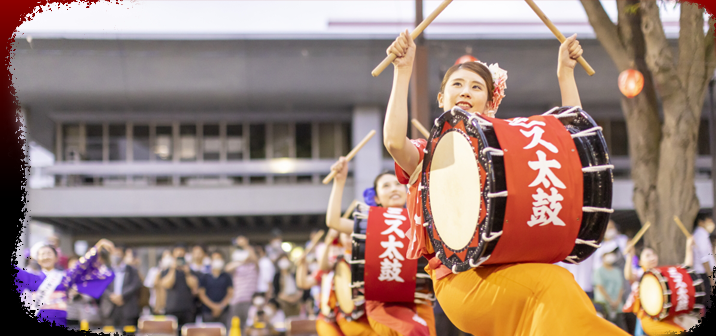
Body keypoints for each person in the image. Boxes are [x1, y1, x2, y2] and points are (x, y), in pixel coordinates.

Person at [381, 29, 629, 336]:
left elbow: (566, 147)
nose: (466, 91)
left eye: (476, 87)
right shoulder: (428, 153)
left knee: (560, 287)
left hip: (510, 266)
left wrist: (565, 75)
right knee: (552, 286)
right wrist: (402, 71)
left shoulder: (502, 149)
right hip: (461, 280)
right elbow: (393, 142)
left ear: (489, 102)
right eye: (457, 84)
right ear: (442, 97)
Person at [326, 159, 436, 336]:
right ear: (376, 197)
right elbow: (334, 222)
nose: (393, 188)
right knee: (415, 330)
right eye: (386, 186)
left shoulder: (419, 220)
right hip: (383, 304)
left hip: (419, 298)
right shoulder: (369, 224)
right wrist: (339, 182)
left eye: (398, 184)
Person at [13, 239, 116, 327]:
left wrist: (98, 247)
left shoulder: (65, 276)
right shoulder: (31, 277)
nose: (45, 257)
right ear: (37, 259)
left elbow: (82, 265)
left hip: (59, 320)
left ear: (57, 258)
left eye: (49, 253)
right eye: (42, 254)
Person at [623, 237, 698, 335]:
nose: (652, 257)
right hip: (649, 319)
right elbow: (628, 275)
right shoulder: (641, 274)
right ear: (640, 262)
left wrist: (689, 246)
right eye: (647, 256)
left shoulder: (663, 273)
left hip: (667, 316)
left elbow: (685, 269)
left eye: (653, 254)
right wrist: (630, 256)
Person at [160, 243, 200, 333]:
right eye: (177, 255)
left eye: (182, 255)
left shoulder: (191, 271)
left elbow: (194, 287)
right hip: (171, 309)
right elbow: (167, 285)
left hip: (188, 310)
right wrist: (173, 269)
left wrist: (187, 273)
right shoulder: (167, 271)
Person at [101, 245, 142, 330]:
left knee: (128, 332)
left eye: (118, 254)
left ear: (123, 255)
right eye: (113, 254)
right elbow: (102, 286)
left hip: (127, 307)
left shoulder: (132, 270)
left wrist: (122, 296)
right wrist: (111, 296)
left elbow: (135, 285)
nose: (115, 256)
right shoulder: (105, 270)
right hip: (110, 309)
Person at [226, 235, 259, 334]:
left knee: (250, 328)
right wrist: (241, 261)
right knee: (234, 329)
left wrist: (246, 245)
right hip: (236, 301)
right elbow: (227, 268)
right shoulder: (236, 267)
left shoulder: (254, 267)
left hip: (250, 301)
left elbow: (255, 260)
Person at [65, 256, 103, 330]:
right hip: (69, 314)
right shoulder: (64, 278)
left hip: (84, 315)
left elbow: (92, 295)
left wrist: (79, 294)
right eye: (72, 264)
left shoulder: (88, 278)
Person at [198, 250, 234, 327]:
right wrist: (214, 307)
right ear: (211, 260)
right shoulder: (205, 276)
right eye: (215, 259)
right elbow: (201, 294)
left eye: (219, 259)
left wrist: (221, 306)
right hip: (208, 312)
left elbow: (230, 293)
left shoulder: (226, 276)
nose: (217, 261)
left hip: (224, 312)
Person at [593, 249, 626, 329]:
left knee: (622, 330)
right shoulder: (598, 271)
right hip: (604, 308)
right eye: (608, 253)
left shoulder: (617, 271)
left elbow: (621, 287)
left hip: (617, 307)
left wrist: (617, 301)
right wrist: (610, 301)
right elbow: (600, 287)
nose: (611, 256)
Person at [692, 211, 715, 310]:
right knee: (708, 302)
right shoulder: (700, 235)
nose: (712, 224)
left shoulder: (703, 235)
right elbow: (704, 260)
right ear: (701, 222)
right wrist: (711, 279)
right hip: (703, 274)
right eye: (709, 221)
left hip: (705, 274)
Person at [273, 253, 303, 318]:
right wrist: (288, 299)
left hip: (296, 300)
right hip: (284, 302)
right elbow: (277, 292)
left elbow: (300, 287)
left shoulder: (293, 274)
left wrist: (296, 298)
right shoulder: (277, 276)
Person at [145, 249, 172, 315]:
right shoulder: (154, 271)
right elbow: (152, 285)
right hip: (155, 306)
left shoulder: (174, 272)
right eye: (165, 257)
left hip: (170, 306)